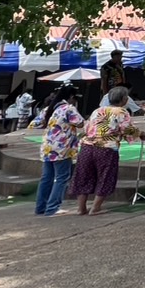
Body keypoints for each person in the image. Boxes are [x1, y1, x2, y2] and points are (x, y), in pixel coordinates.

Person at [69, 86, 145, 215]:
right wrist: (141, 134)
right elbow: (127, 129)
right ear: (124, 99)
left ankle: (81, 208)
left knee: (83, 175)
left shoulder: (97, 110)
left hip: (87, 146)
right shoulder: (121, 112)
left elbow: (87, 128)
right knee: (106, 176)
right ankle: (95, 208)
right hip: (106, 148)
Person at [34, 85, 84, 216]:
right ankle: (52, 207)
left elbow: (36, 123)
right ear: (71, 97)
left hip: (47, 146)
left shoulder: (49, 108)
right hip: (62, 147)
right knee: (61, 178)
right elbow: (80, 123)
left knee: (46, 178)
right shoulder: (68, 108)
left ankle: (40, 206)